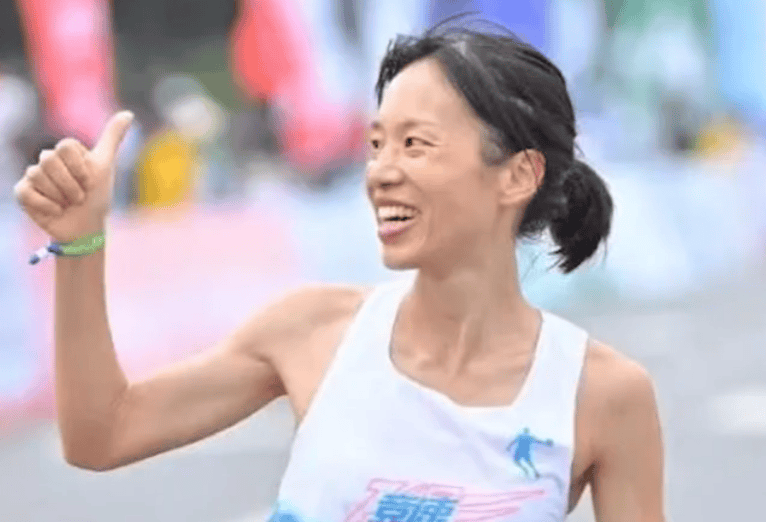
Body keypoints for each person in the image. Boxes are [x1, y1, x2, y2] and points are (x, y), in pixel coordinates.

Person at [13, 20, 665, 522]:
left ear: (518, 175)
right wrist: (80, 244)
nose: (381, 172)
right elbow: (102, 433)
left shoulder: (603, 395)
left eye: (415, 144)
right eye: (376, 143)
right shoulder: (312, 329)